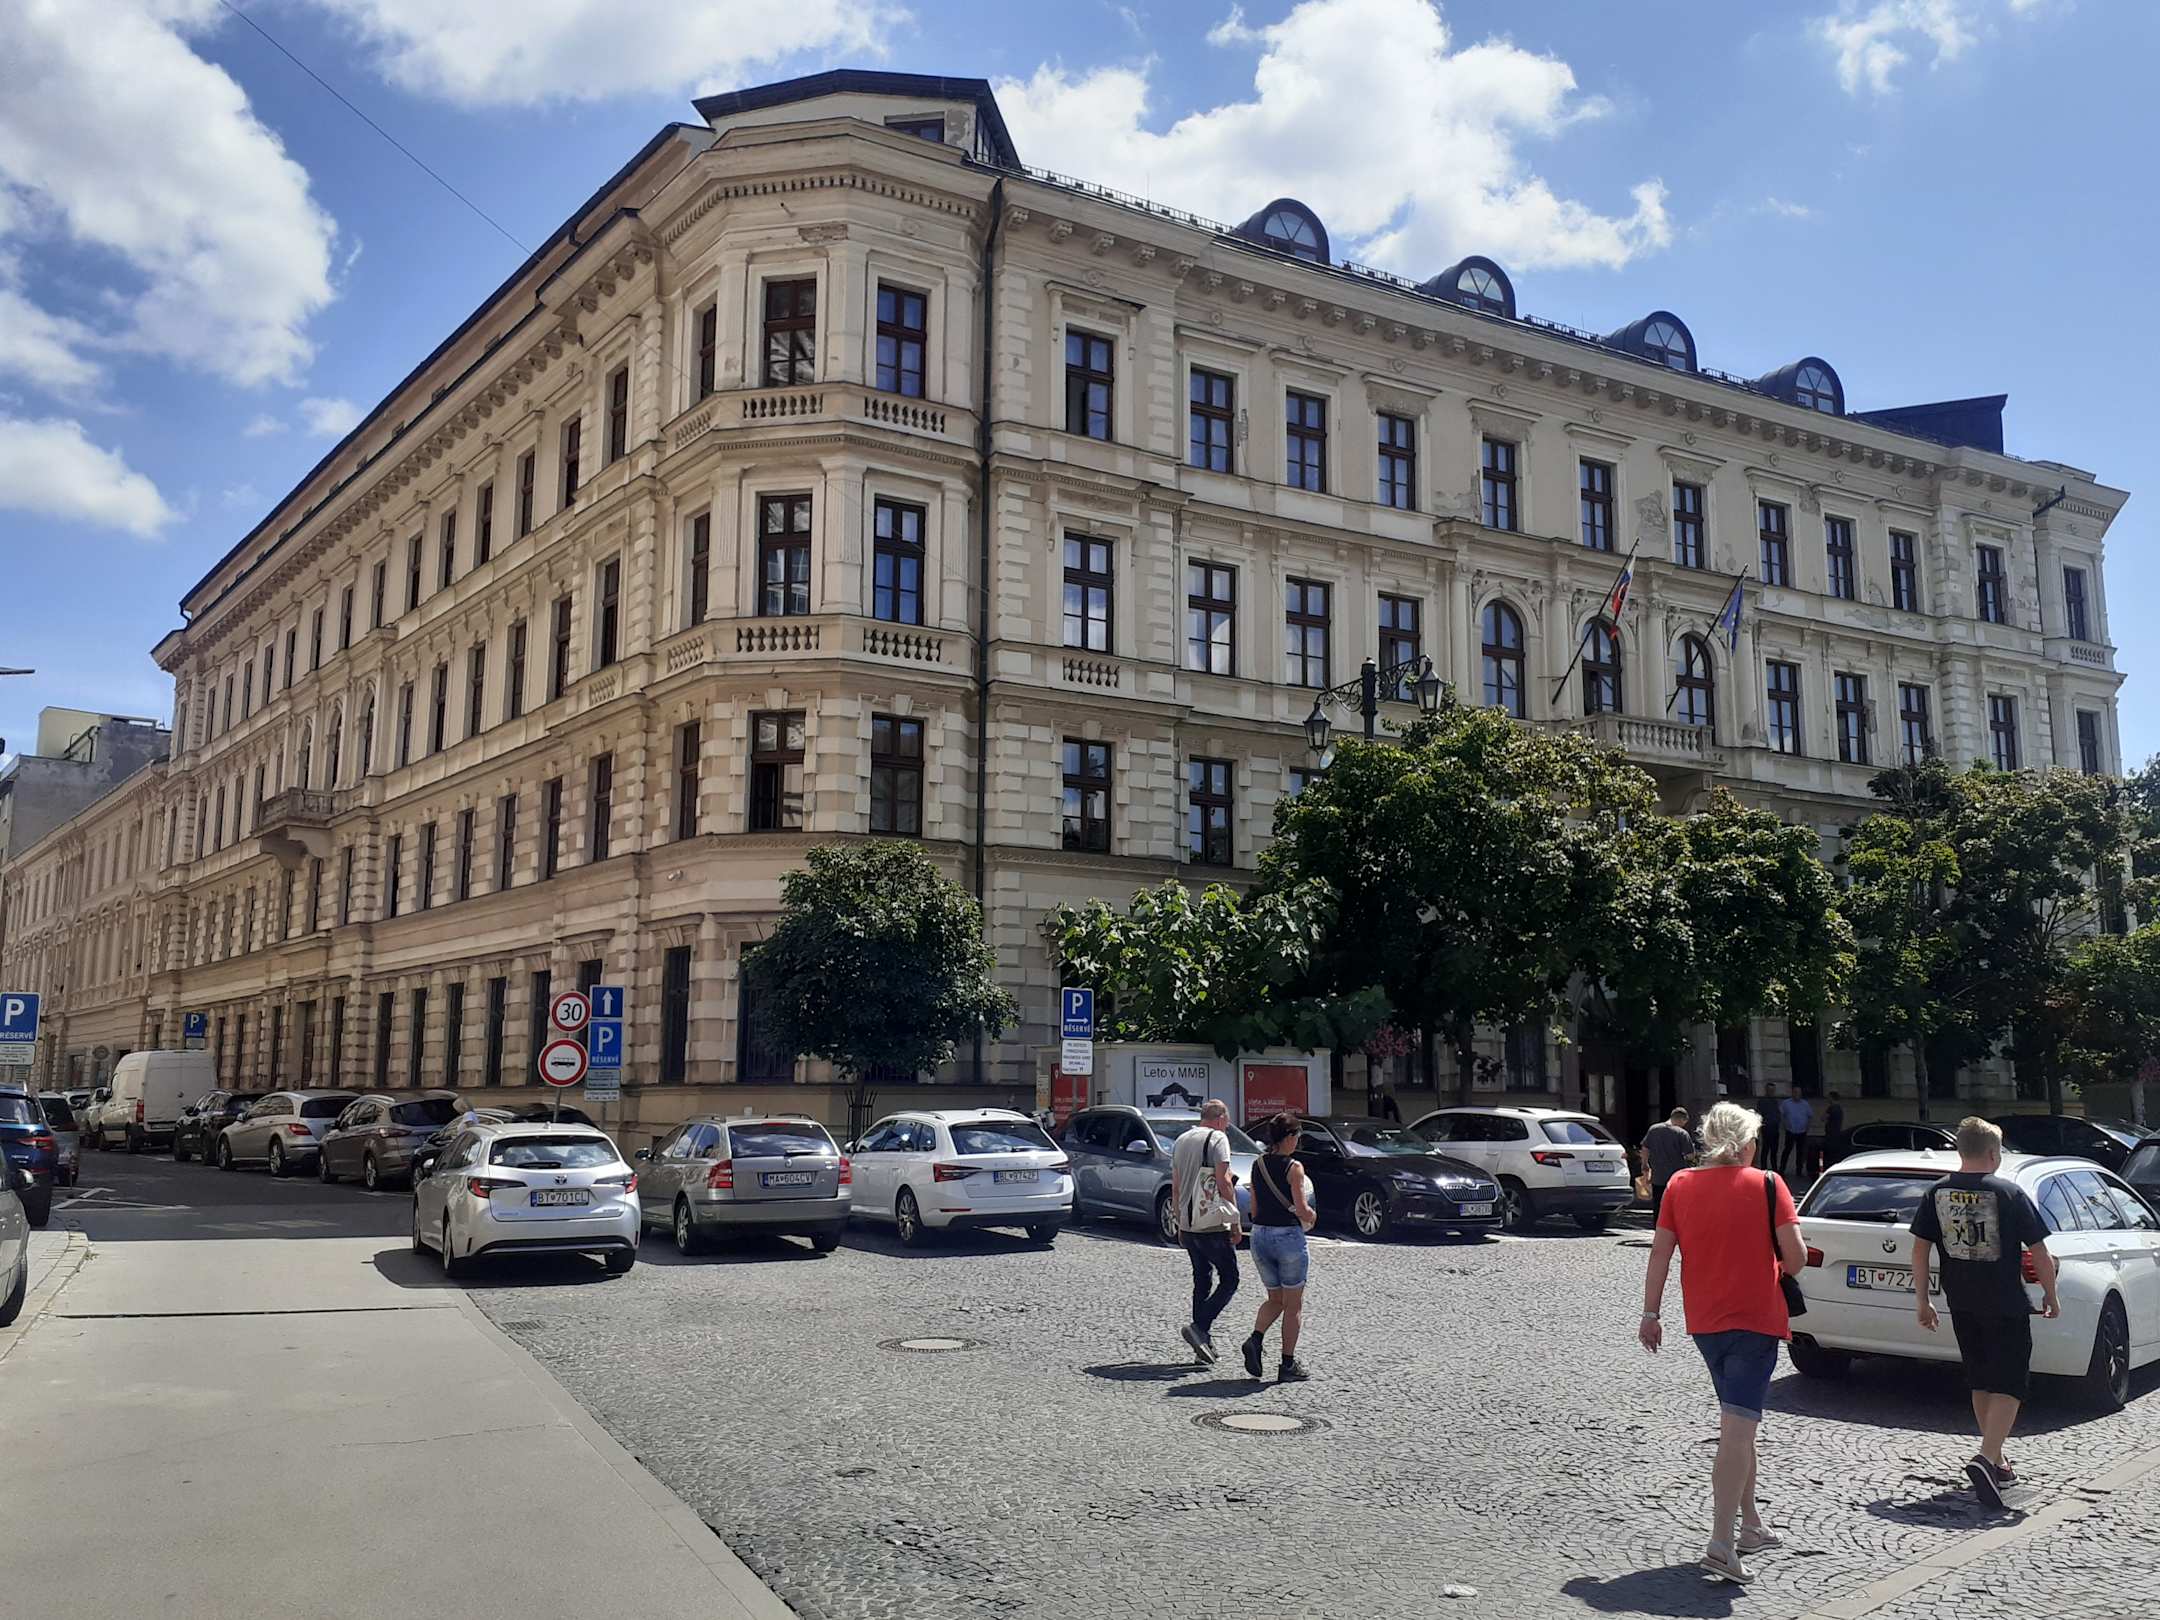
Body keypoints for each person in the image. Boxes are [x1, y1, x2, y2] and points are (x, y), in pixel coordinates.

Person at [1639, 1102, 1806, 1585]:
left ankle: (1750, 1524)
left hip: (1705, 1323)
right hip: (1755, 1321)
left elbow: (1660, 1253)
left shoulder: (1680, 1184)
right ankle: (1720, 1542)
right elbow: (1795, 1258)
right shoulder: (1769, 1184)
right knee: (1737, 1429)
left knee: (1739, 1423)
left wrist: (1650, 1314)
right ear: (1749, 1143)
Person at [1910, 1116, 2059, 1509]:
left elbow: (1920, 1249)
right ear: (1993, 1154)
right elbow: (2039, 1252)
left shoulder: (1936, 1193)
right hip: (2006, 1302)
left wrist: (1923, 1300)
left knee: (1981, 1381)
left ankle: (1998, 1461)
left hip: (1961, 1301)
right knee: (2010, 1383)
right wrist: (2050, 1293)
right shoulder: (2008, 1193)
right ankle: (1986, 1458)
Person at [1240, 1112, 1317, 1384]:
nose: (1298, 1141)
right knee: (1293, 1304)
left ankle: (1255, 1339)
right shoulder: (1294, 1167)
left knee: (1275, 1298)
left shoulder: (1258, 1164)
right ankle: (1287, 1364)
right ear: (1289, 1137)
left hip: (1260, 1235)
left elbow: (1254, 1207)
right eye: (1297, 1135)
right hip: (1287, 1237)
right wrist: (1312, 1216)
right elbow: (1302, 1208)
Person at [1169, 1099, 1242, 1364]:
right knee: (1230, 1278)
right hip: (1211, 1222)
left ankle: (1202, 1344)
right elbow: (1224, 1181)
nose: (1228, 1126)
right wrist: (1235, 1221)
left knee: (1201, 1279)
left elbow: (1176, 1186)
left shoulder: (1181, 1140)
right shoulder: (1218, 1139)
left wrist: (1179, 1222)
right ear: (1220, 1118)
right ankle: (1200, 1326)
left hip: (1189, 1223)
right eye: (1227, 1121)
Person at [1640, 1107, 1693, 1223]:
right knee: (1676, 1205)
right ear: (1682, 1119)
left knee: (1658, 1205)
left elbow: (1645, 1149)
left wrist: (1645, 1164)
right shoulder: (1682, 1133)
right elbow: (1690, 1156)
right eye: (1684, 1123)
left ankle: (1658, 1228)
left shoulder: (1653, 1129)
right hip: (1676, 1178)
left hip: (1658, 1176)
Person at [1777, 1084, 1814, 1182]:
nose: (1797, 1094)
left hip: (1802, 1131)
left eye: (1799, 1093)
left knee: (1800, 1152)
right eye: (1796, 1092)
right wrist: (1784, 1125)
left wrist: (1807, 1127)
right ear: (1792, 1093)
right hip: (1790, 1131)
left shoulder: (1805, 1104)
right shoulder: (1786, 1103)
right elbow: (1781, 1114)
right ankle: (1782, 1169)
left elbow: (1810, 1116)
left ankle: (1799, 1171)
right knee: (1787, 1150)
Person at [1820, 1091, 1846, 1172]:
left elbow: (1822, 1118)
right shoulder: (1840, 1109)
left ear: (1832, 1098)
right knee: (1834, 1155)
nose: (1827, 1099)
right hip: (1836, 1134)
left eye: (1828, 1097)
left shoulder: (1831, 1108)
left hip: (1830, 1135)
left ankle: (1827, 1170)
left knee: (1828, 1155)